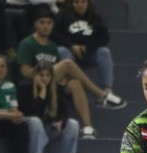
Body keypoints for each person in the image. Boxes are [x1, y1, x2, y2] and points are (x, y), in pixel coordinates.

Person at [17, 7, 126, 139]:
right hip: (34, 84)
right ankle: (100, 94)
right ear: (35, 24)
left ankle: (88, 127)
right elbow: (24, 71)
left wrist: (61, 76)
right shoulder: (27, 43)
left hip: (52, 84)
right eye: (42, 22)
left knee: (74, 83)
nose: (45, 26)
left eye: (48, 23)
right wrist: (44, 71)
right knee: (67, 64)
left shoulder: (51, 46)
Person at [18, 60, 79, 153]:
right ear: (35, 75)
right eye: (41, 75)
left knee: (73, 125)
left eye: (48, 75)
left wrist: (61, 123)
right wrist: (42, 94)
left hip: (47, 126)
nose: (44, 78)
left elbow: (64, 110)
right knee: (36, 122)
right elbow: (32, 112)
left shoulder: (55, 89)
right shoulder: (25, 87)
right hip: (29, 127)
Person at [51, 0, 115, 94]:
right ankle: (68, 80)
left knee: (104, 52)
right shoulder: (63, 14)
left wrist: (88, 48)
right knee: (62, 51)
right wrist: (72, 46)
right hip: (70, 51)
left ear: (88, 3)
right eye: (76, 2)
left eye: (83, 2)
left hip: (89, 52)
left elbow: (104, 38)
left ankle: (107, 88)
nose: (80, 5)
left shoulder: (95, 17)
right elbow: (55, 34)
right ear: (72, 3)